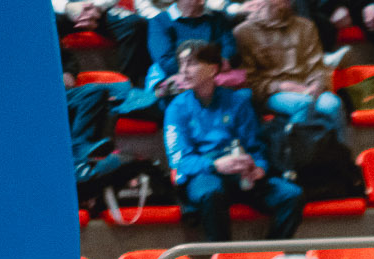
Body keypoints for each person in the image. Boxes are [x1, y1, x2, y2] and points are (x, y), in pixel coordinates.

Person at [163, 41, 305, 244]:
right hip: (204, 174)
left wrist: (259, 168)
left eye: (191, 63)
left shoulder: (237, 102)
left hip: (239, 174)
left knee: (291, 195)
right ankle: (223, 257)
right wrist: (215, 165)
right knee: (212, 193)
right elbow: (180, 161)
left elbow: (255, 147)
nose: (183, 70)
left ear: (213, 69)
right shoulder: (176, 108)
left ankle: (269, 255)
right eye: (181, 63)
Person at [235, 0, 346, 121]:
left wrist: (316, 85)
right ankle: (296, 133)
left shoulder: (305, 26)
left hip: (308, 86)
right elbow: (250, 80)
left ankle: (335, 134)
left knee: (332, 105)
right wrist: (280, 86)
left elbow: (317, 66)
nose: (285, 3)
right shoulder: (244, 32)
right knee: (303, 104)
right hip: (273, 93)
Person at [147, 0, 242, 97]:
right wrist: (203, 71)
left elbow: (230, 48)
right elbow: (166, 60)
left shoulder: (217, 18)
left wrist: (215, 66)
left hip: (216, 76)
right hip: (182, 78)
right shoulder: (160, 21)